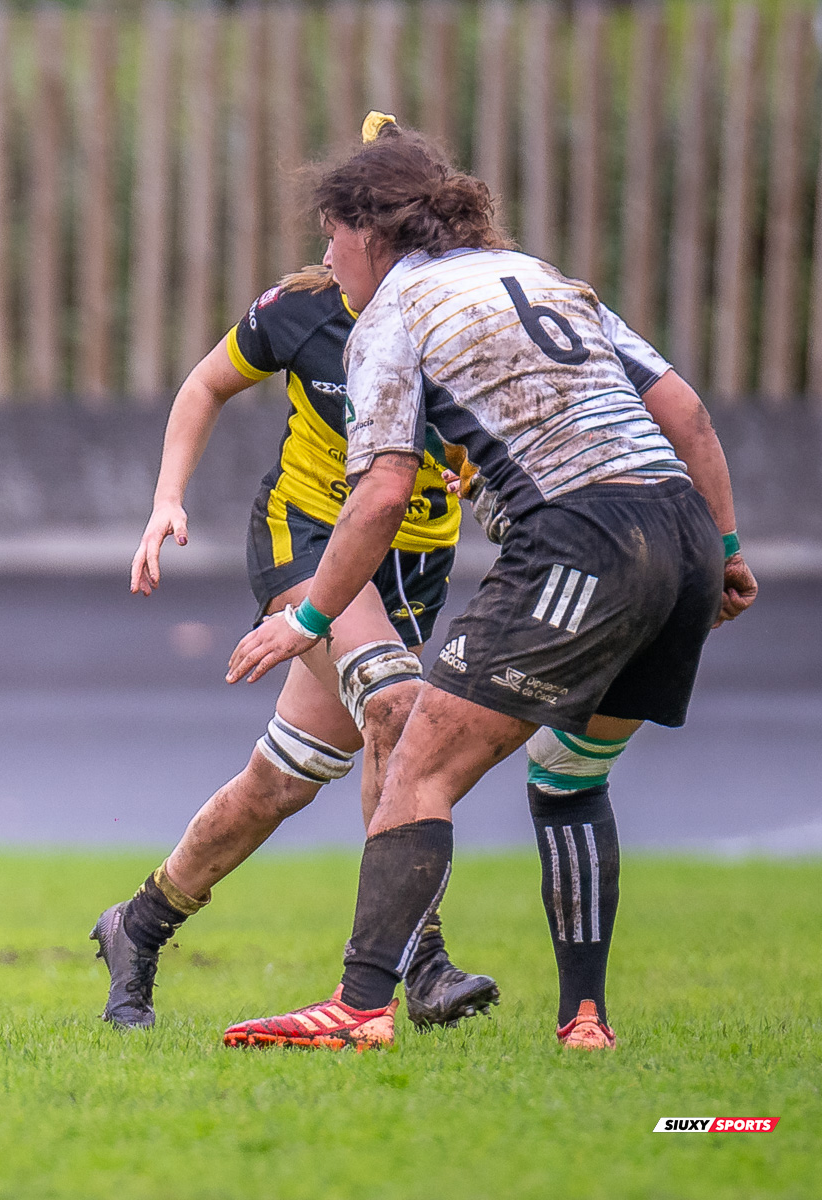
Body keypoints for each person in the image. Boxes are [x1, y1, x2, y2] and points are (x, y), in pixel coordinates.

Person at [219, 124, 758, 1051]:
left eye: (332, 236)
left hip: (583, 537)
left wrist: (304, 615)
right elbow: (686, 412)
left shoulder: (392, 311)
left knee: (416, 765)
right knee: (569, 773)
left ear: (371, 229)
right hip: (679, 528)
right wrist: (728, 546)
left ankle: (358, 1008)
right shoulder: (541, 276)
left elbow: (382, 492)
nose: (326, 258)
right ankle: (584, 1020)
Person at [89, 113, 494, 1033]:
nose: (324, 239)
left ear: (379, 232)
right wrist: (166, 500)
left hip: (414, 570)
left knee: (281, 782)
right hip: (305, 542)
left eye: (338, 224)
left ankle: (138, 926)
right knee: (396, 704)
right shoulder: (301, 311)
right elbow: (203, 387)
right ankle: (417, 964)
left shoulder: (465, 319)